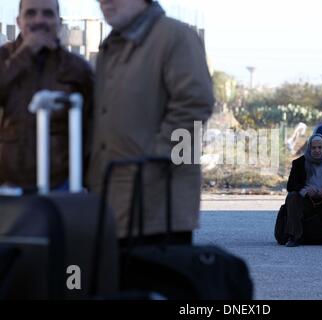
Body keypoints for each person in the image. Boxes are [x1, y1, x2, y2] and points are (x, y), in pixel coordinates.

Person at [89, 0, 215, 245]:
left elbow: (196, 106)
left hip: (160, 210)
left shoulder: (176, 37)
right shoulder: (110, 48)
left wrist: (158, 160)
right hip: (113, 203)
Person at [0, 0, 93, 191]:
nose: (39, 20)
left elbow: (91, 128)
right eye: (31, 13)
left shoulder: (77, 68)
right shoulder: (4, 58)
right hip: (7, 185)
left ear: (59, 22)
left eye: (47, 14)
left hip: (60, 184)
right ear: (19, 21)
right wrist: (25, 54)